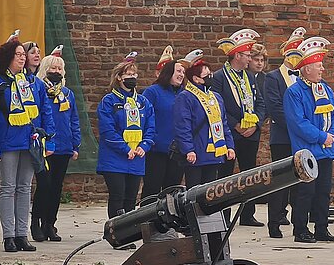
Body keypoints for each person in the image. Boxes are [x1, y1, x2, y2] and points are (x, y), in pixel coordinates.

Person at [0, 35, 55, 252]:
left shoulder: (34, 83)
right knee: (8, 187)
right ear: (7, 58)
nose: (22, 59)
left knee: (25, 187)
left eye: (24, 55)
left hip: (30, 141)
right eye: (18, 55)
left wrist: (49, 139)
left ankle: (22, 234)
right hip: (7, 142)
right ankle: (8, 235)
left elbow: (45, 111)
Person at [283, 36, 334, 243]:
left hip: (326, 149)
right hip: (306, 151)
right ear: (307, 68)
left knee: (324, 192)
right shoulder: (294, 92)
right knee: (305, 192)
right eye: (319, 65)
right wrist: (322, 137)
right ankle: (300, 229)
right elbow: (298, 123)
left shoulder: (324, 89)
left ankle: (321, 228)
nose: (322, 69)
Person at [211, 28, 266, 226]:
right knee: (225, 177)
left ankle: (247, 214)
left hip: (250, 133)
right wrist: (235, 125)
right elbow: (218, 105)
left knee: (249, 175)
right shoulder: (219, 77)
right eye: (247, 55)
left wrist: (256, 123)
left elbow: (260, 102)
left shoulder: (249, 77)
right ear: (237, 55)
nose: (250, 59)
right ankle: (222, 217)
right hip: (231, 134)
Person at [96, 52, 155, 220]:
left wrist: (144, 146)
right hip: (115, 158)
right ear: (120, 78)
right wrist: (124, 148)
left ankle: (128, 233)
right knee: (117, 196)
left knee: (131, 199)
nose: (132, 77)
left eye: (134, 74)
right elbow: (107, 130)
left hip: (136, 157)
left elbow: (151, 127)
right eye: (128, 74)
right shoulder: (109, 100)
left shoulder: (143, 102)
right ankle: (116, 234)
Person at [30, 46, 81, 242]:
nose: (56, 72)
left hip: (64, 145)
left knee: (57, 187)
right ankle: (36, 222)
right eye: (52, 69)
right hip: (44, 146)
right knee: (44, 184)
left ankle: (50, 223)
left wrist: (75, 144)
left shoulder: (67, 93)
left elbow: (74, 120)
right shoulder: (38, 90)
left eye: (59, 69)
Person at [263, 27, 306, 238]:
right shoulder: (273, 78)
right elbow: (274, 107)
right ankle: (274, 221)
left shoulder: (303, 79)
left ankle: (300, 224)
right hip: (282, 137)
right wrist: (297, 125)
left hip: (301, 139)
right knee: (279, 182)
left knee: (300, 180)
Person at [173, 50, 235, 188]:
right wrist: (188, 149)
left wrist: (229, 146)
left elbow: (223, 123)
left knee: (210, 192)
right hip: (197, 152)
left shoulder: (216, 97)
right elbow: (183, 126)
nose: (211, 77)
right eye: (207, 75)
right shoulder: (186, 97)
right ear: (196, 79)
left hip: (214, 152)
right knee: (194, 192)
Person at [141, 46, 186, 204]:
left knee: (173, 191)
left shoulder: (185, 94)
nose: (181, 74)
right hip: (156, 149)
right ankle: (146, 223)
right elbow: (143, 118)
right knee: (152, 189)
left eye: (183, 72)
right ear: (168, 73)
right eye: (178, 71)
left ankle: (167, 224)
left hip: (177, 151)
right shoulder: (152, 92)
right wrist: (151, 139)